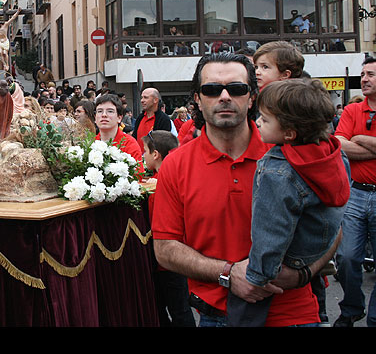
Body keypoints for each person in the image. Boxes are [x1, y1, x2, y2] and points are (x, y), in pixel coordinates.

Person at [152, 52, 327, 327]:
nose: (224, 97)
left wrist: (301, 275)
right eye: (211, 89)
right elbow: (165, 248)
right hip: (217, 316)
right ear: (197, 98)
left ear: (252, 96)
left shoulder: (292, 152)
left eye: (236, 88)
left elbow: (332, 228)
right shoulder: (175, 164)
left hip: (294, 313)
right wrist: (228, 273)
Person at [226, 78, 349, 327]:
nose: (257, 122)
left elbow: (271, 231)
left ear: (290, 133)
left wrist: (257, 276)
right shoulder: (333, 153)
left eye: (265, 118)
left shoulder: (277, 171)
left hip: (285, 264)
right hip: (316, 252)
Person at [333, 56, 376, 327]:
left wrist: (359, 140)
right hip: (356, 193)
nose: (365, 78)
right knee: (346, 257)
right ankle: (352, 307)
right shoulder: (352, 111)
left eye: (371, 74)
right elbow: (338, 144)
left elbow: (349, 144)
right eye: (363, 74)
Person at [142, 130, 195, 327]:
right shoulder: (160, 177)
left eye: (145, 151)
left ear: (155, 154)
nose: (142, 155)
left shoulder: (162, 185)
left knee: (178, 308)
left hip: (169, 259)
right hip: (171, 258)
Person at [94, 93, 142, 162]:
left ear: (119, 118)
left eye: (110, 111)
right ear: (95, 118)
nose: (104, 115)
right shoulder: (91, 144)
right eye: (100, 111)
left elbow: (138, 172)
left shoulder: (129, 144)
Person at [132, 87, 175, 154]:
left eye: (146, 97)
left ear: (155, 100)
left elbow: (163, 146)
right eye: (142, 97)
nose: (142, 100)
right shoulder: (140, 118)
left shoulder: (164, 119)